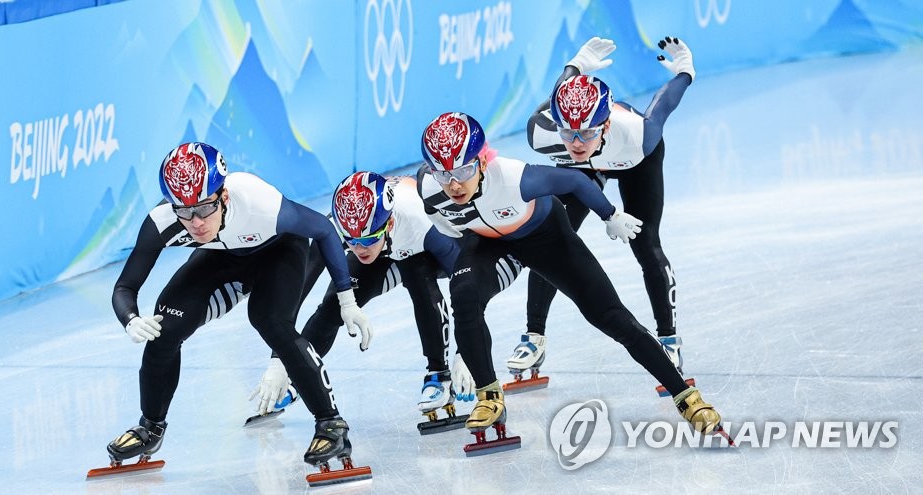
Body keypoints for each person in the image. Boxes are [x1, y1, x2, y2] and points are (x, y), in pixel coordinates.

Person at [416, 111, 725, 447]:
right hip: (489, 244)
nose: (454, 184)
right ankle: (489, 395)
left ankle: (686, 396)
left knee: (611, 317)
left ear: (482, 161)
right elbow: (448, 225)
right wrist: (466, 346)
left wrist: (611, 214)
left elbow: (577, 182)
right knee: (463, 294)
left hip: (549, 242)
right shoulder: (430, 188)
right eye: (443, 173)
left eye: (462, 170)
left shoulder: (516, 179)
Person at [102, 142, 373, 473]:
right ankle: (150, 427)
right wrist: (129, 319)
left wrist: (347, 300)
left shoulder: (259, 203)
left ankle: (331, 424)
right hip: (223, 258)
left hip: (279, 253)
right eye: (184, 211)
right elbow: (125, 287)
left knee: (270, 320)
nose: (196, 222)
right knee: (164, 329)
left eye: (204, 208)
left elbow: (324, 230)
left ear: (224, 197)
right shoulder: (164, 221)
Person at [249, 171, 523, 430]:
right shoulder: (337, 226)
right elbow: (298, 289)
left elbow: (467, 291)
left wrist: (466, 354)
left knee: (417, 274)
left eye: (366, 239)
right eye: (350, 240)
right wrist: (280, 361)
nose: (358, 248)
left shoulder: (416, 218)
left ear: (387, 223)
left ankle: (438, 374)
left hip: (427, 250)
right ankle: (298, 379)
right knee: (332, 308)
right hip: (386, 253)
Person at [512, 36, 696, 395]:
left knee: (646, 245)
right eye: (568, 132)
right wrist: (576, 65)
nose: (576, 142)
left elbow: (663, 106)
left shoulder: (637, 135)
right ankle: (534, 336)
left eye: (586, 133)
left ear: (605, 126)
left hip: (633, 163)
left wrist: (685, 71)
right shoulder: (544, 133)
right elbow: (560, 98)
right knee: (550, 241)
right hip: (583, 170)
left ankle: (668, 340)